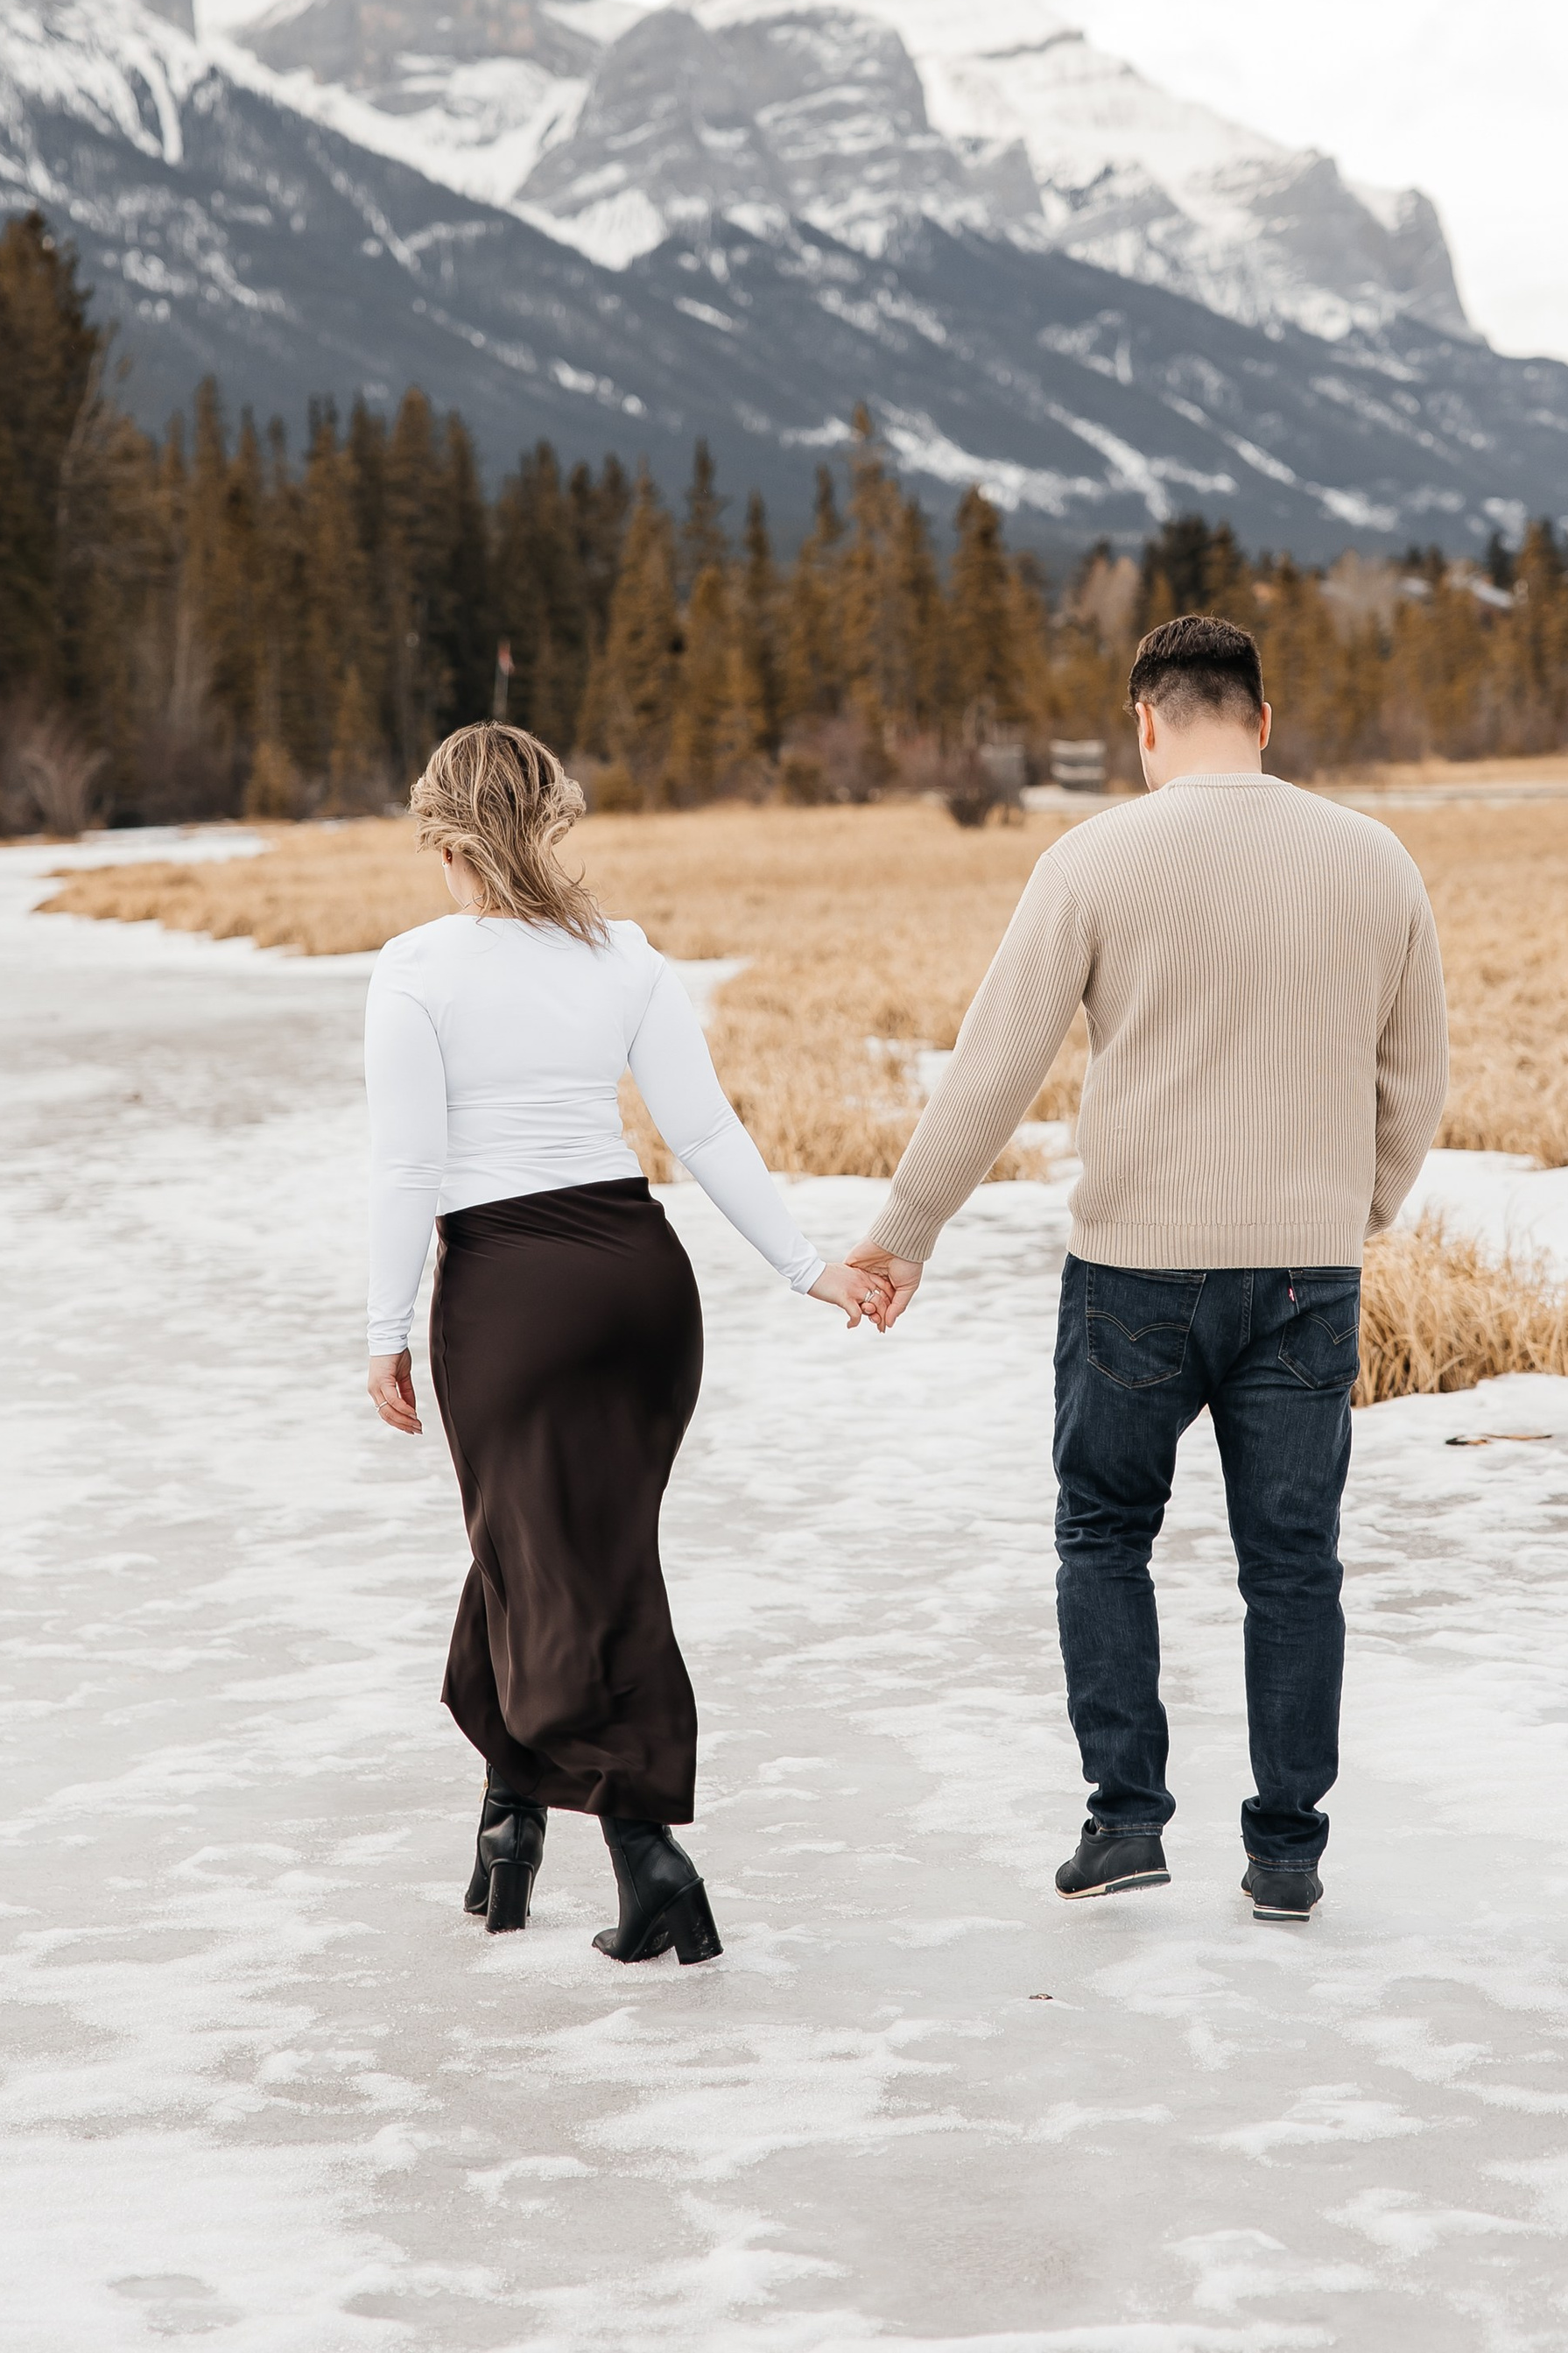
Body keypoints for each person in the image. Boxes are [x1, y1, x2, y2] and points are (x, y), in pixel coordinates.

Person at [847, 612, 1447, 1921]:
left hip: (1133, 1269)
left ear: (1146, 723)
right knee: (1294, 1562)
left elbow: (997, 1065)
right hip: (1307, 1269)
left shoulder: (1093, 858)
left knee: (1104, 1532)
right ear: (1264, 718)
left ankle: (1126, 1819)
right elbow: (1416, 1081)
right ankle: (1286, 1849)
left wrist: (904, 1231)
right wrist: (1357, 1211)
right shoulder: (1373, 859)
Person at [365, 720, 887, 1961]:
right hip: (640, 1289)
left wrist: (384, 1329)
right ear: (551, 821)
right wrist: (807, 1267)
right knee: (550, 1546)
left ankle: (648, 1853)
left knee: (565, 1556)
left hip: (511, 1297)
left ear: (443, 838)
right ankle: (508, 1822)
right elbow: (705, 1137)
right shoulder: (625, 957)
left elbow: (407, 1166)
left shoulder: (414, 969)